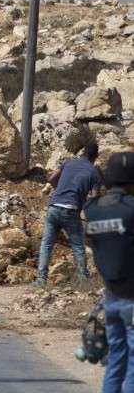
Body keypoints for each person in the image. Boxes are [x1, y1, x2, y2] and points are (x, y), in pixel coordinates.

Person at [84, 151, 134, 393]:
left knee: (115, 359)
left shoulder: (93, 210)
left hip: (111, 298)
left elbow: (92, 242)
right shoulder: (131, 209)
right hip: (132, 298)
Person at [37, 142, 101, 285]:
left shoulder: (68, 162)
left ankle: (41, 279)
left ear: (83, 152)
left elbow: (51, 178)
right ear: (96, 156)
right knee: (78, 246)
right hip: (71, 210)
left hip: (53, 206)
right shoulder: (94, 172)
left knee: (46, 244)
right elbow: (94, 197)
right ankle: (83, 279)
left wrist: (59, 189)